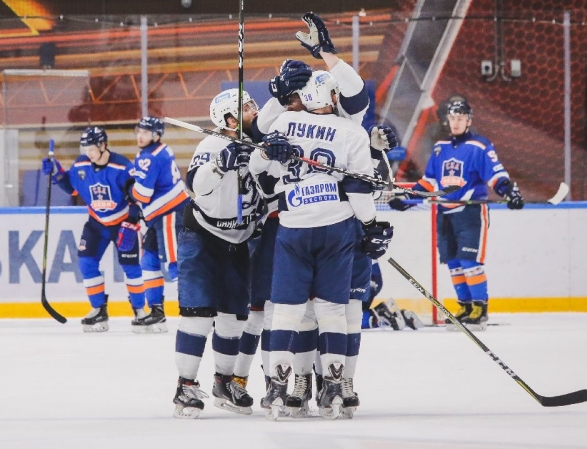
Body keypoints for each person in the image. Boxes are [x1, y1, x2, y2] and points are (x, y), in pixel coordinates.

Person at [260, 69, 393, 420]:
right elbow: (361, 188)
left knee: (288, 311)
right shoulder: (352, 131)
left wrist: (269, 151)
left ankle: (277, 386)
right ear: (333, 97)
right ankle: (333, 386)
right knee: (334, 311)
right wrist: (370, 225)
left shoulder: (285, 122)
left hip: (293, 228)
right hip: (337, 228)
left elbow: (261, 159)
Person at [172, 88, 267, 419]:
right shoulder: (212, 145)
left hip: (237, 240)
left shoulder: (259, 146)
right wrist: (221, 165)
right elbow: (196, 183)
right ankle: (185, 386)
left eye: (254, 104)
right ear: (229, 120)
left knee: (234, 317)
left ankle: (224, 381)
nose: (255, 110)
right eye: (247, 107)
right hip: (202, 238)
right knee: (198, 313)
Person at [389, 99, 524, 330]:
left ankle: (479, 309)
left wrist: (509, 191)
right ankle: (465, 307)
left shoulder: (480, 146)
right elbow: (429, 182)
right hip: (445, 213)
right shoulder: (440, 147)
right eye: (453, 118)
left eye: (461, 118)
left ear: (468, 120)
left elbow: (496, 175)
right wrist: (408, 199)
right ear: (447, 120)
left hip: (470, 212)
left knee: (469, 262)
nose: (456, 122)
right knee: (454, 263)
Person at [41, 127, 146, 333]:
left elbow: (136, 196)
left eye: (91, 148)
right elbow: (70, 187)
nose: (88, 153)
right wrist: (56, 172)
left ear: (103, 145)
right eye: (85, 148)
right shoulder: (81, 164)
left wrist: (132, 221)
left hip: (122, 223)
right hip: (96, 224)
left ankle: (140, 311)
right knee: (86, 263)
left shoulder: (122, 167)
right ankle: (99, 310)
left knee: (131, 267)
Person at [125, 116, 190, 333]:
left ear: (156, 135)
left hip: (171, 216)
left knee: (176, 265)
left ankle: (196, 310)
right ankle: (157, 312)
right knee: (149, 262)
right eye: (138, 131)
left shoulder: (149, 157)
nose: (139, 135)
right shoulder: (160, 150)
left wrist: (129, 189)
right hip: (159, 218)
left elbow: (142, 195)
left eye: (145, 132)